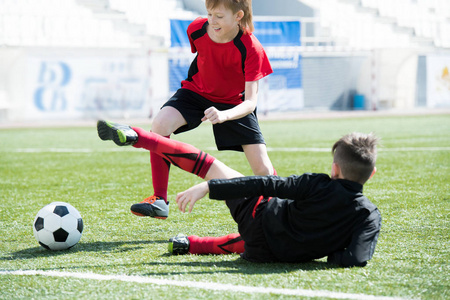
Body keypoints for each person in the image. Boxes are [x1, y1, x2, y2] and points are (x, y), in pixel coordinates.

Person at [97, 120, 382, 267]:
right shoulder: (368, 215)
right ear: (371, 174)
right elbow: (357, 258)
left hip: (258, 219)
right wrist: (327, 249)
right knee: (263, 239)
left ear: (334, 168)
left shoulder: (319, 183)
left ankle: (138, 135)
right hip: (264, 253)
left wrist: (210, 187)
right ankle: (191, 244)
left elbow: (264, 184)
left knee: (208, 164)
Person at [129, 0, 275, 219]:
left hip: (234, 104)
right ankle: (159, 199)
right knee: (159, 124)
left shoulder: (252, 48)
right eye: (209, 14)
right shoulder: (196, 29)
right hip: (196, 93)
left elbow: (250, 103)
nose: (211, 21)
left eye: (218, 16)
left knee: (263, 169)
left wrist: (224, 114)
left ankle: (280, 208)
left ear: (238, 16)